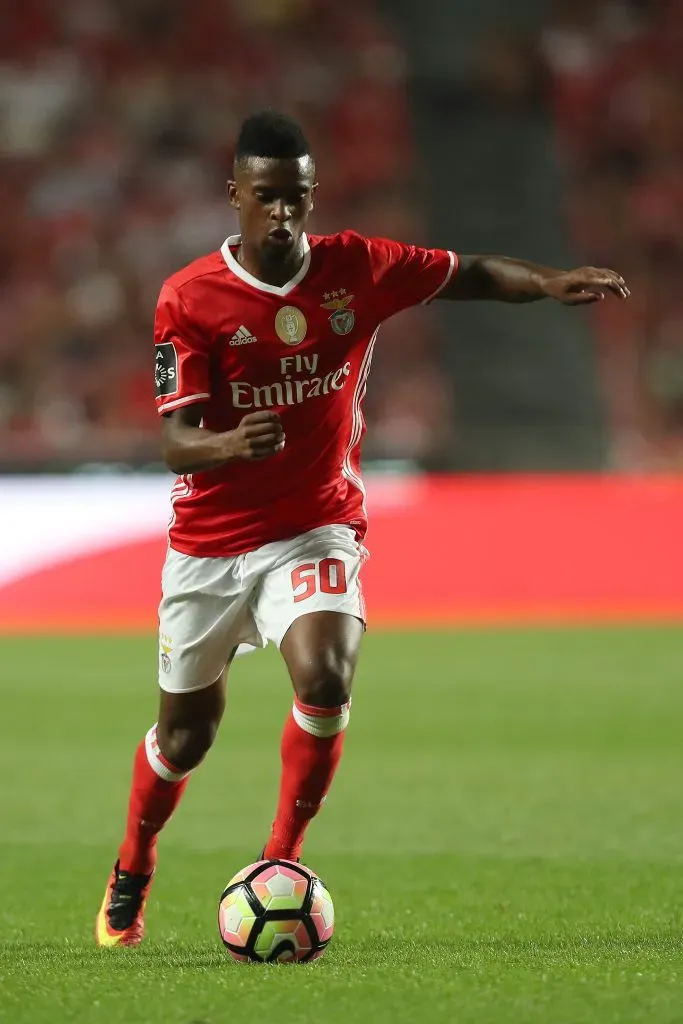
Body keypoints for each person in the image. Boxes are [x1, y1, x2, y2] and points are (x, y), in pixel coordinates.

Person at [95, 110, 629, 947]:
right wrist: (227, 445)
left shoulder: (357, 267)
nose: (282, 213)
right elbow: (174, 441)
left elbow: (468, 272)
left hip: (316, 526)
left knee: (326, 676)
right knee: (184, 739)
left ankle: (281, 857)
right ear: (235, 194)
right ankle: (133, 864)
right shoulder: (190, 297)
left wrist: (549, 282)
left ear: (312, 196)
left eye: (296, 197)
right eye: (266, 196)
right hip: (210, 545)